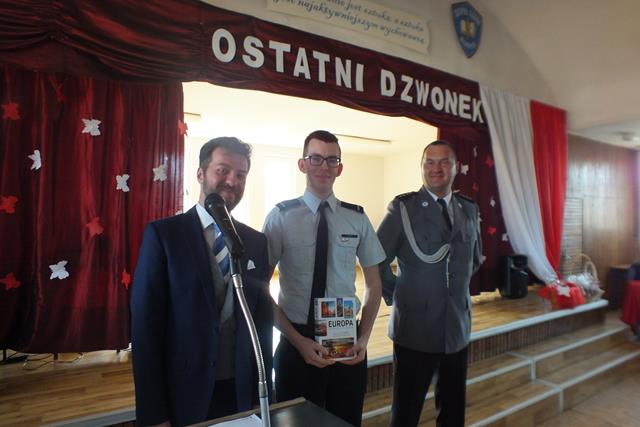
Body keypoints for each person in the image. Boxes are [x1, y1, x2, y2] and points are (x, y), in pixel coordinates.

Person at [131, 137, 273, 427]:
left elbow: (261, 324)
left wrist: (264, 396)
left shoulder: (255, 242)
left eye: (241, 174)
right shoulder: (164, 236)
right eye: (223, 170)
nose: (232, 181)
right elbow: (146, 329)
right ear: (200, 173)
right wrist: (154, 413)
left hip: (240, 392)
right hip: (183, 393)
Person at [262, 130, 385, 426]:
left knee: (346, 420)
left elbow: (374, 285)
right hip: (296, 339)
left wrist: (364, 337)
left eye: (332, 160)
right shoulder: (281, 217)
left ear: (339, 168)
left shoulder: (357, 218)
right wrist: (298, 341)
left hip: (344, 336)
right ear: (302, 164)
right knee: (297, 422)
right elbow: (260, 288)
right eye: (315, 158)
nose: (324, 166)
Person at [377, 140, 482, 427]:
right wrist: (400, 294)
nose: (436, 168)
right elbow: (377, 259)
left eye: (444, 162)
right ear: (422, 167)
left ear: (456, 167)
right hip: (415, 330)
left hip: (456, 329)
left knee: (453, 414)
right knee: (405, 415)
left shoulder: (469, 209)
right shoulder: (403, 208)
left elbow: (473, 259)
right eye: (429, 162)